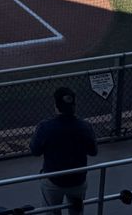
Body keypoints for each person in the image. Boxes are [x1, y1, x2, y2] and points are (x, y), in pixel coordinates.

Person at [30, 87, 98, 215]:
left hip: (53, 181)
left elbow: (35, 151)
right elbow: (93, 151)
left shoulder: (45, 127)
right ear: (74, 106)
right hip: (78, 180)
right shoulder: (85, 126)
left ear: (56, 106)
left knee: (51, 211)